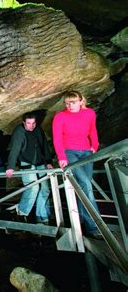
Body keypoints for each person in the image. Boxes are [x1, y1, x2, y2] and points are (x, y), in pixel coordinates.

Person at [52, 90, 101, 238]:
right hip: (69, 153)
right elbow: (57, 138)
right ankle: (95, 227)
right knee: (86, 184)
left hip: (86, 152)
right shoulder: (60, 116)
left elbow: (92, 130)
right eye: (67, 103)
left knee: (82, 188)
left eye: (73, 102)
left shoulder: (90, 113)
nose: (70, 105)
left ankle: (83, 223)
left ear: (81, 101)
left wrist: (95, 146)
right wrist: (61, 156)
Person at [6, 112, 54, 224]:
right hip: (27, 163)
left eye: (33, 123)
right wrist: (10, 166)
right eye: (28, 123)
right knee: (33, 188)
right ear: (24, 123)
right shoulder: (19, 131)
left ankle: (42, 216)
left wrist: (48, 162)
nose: (31, 126)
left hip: (40, 163)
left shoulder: (38, 129)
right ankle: (22, 211)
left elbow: (44, 146)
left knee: (45, 189)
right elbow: (15, 149)